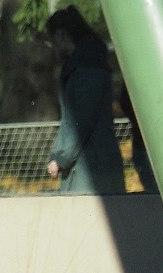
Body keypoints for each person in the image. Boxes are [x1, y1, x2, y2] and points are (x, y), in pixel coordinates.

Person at [45, 5, 125, 194]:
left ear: (62, 35)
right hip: (92, 163)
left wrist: (61, 157)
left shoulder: (85, 69)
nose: (53, 49)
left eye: (52, 41)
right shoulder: (89, 63)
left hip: (88, 167)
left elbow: (80, 120)